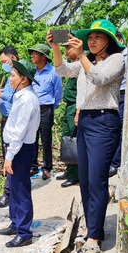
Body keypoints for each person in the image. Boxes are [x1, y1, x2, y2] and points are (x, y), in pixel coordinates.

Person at [48, 19, 125, 253]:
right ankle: (91, 226)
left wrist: (81, 56)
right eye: (90, 37)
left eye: (98, 37)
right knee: (85, 180)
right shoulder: (86, 62)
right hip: (87, 122)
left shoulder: (116, 60)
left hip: (104, 122)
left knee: (97, 179)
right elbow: (61, 70)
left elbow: (101, 79)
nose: (92, 41)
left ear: (109, 42)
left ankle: (95, 235)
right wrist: (56, 48)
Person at [0, 59, 41, 247]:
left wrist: (9, 156)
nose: (10, 79)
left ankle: (24, 232)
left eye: (13, 75)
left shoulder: (27, 99)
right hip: (16, 148)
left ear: (23, 79)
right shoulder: (20, 96)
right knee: (14, 188)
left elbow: (19, 131)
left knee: (21, 190)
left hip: (20, 149)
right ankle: (15, 223)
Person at [27, 44, 63, 180]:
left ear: (43, 56)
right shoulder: (32, 72)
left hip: (46, 109)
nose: (32, 56)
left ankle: (47, 168)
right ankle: (33, 166)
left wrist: (51, 107)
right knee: (32, 138)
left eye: (35, 54)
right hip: (33, 109)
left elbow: (58, 93)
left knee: (46, 139)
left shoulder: (54, 72)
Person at [0, 46, 19, 209]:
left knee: (10, 158)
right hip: (6, 119)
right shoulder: (11, 74)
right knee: (7, 157)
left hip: (11, 121)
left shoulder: (17, 74)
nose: (3, 64)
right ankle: (10, 190)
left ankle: (8, 194)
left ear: (13, 58)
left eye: (4, 61)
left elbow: (10, 96)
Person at [56, 50, 80, 188]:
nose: (66, 51)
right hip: (69, 106)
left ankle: (74, 174)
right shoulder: (73, 66)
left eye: (69, 48)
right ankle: (69, 169)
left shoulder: (81, 67)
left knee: (73, 138)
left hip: (75, 106)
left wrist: (78, 111)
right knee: (66, 138)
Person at [109, 31, 128, 177]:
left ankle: (116, 163)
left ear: (120, 40)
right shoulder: (112, 57)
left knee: (121, 129)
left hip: (125, 94)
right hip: (114, 95)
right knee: (113, 128)